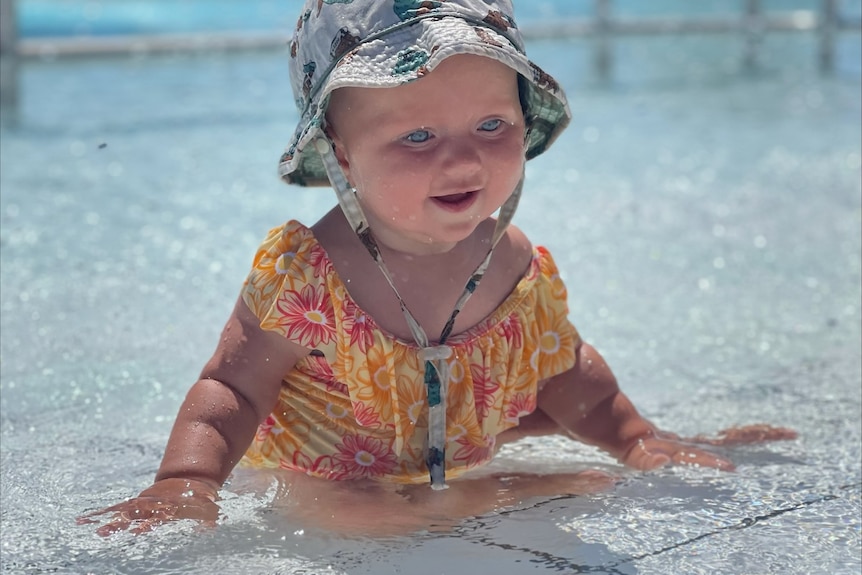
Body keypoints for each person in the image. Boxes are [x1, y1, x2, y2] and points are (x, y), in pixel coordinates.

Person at [80, 0, 795, 536]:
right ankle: (487, 492)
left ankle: (643, 449)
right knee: (357, 515)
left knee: (561, 421)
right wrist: (186, 480)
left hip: (451, 435)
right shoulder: (308, 276)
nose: (461, 159)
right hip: (334, 471)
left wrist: (639, 436)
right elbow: (231, 389)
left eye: (492, 125)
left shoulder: (512, 264)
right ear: (340, 153)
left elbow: (569, 367)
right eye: (417, 135)